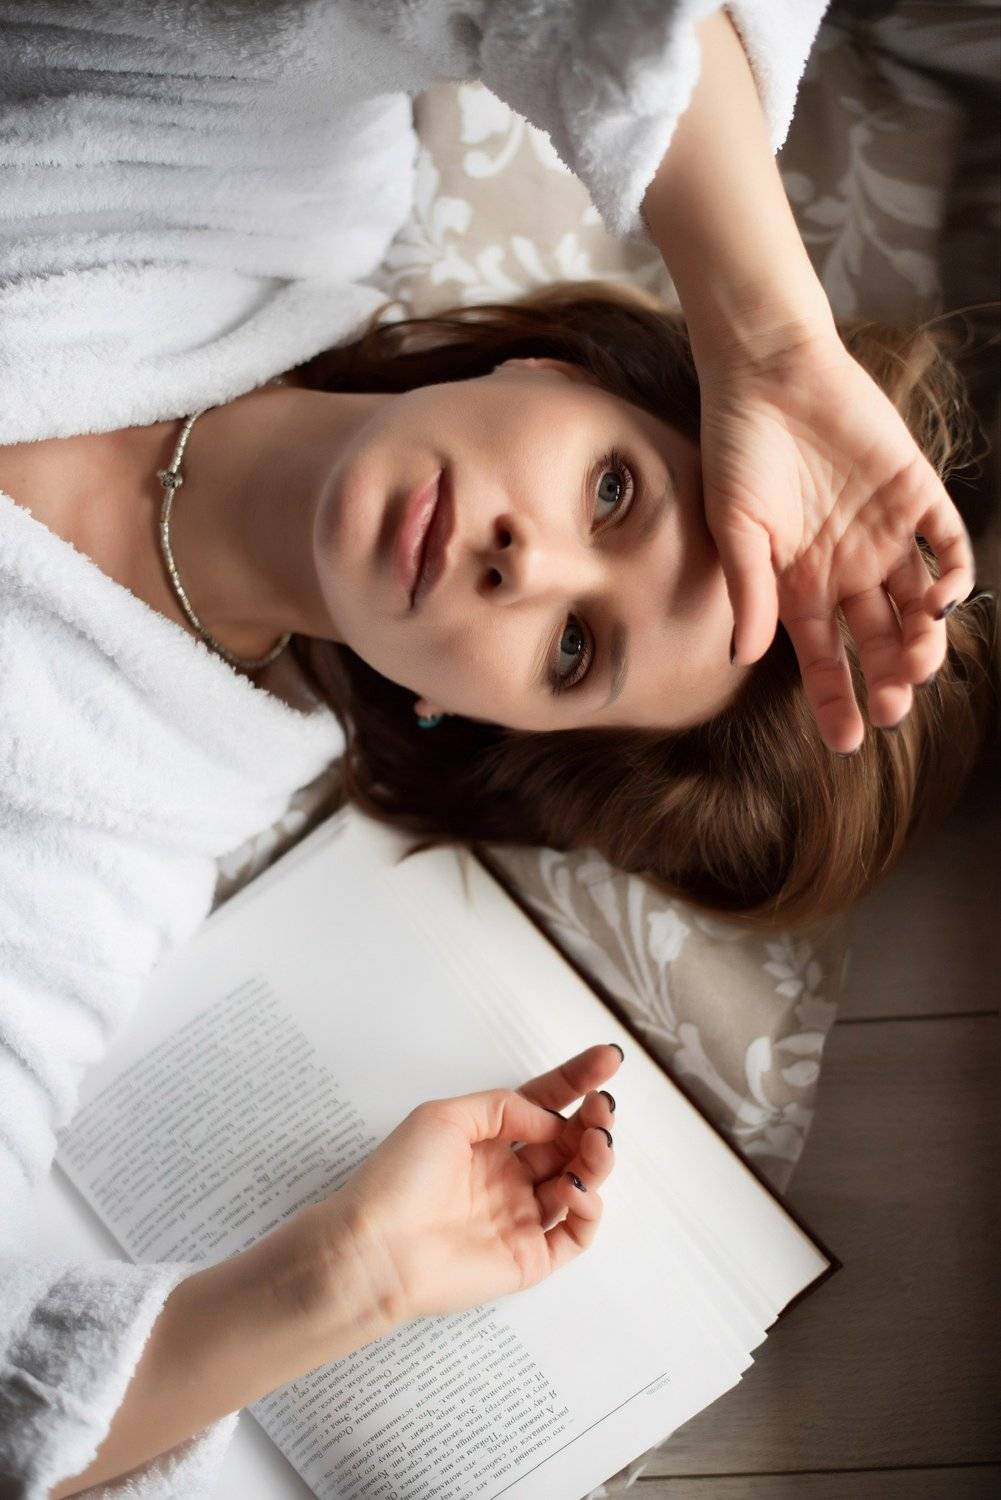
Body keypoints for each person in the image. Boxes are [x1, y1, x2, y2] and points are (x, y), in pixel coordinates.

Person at [0, 3, 996, 1497]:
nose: (525, 566)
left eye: (573, 651)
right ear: (553, 371)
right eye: (614, 494)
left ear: (489, 721)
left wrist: (339, 1281)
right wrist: (772, 343)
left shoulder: (90, 860)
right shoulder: (269, 162)